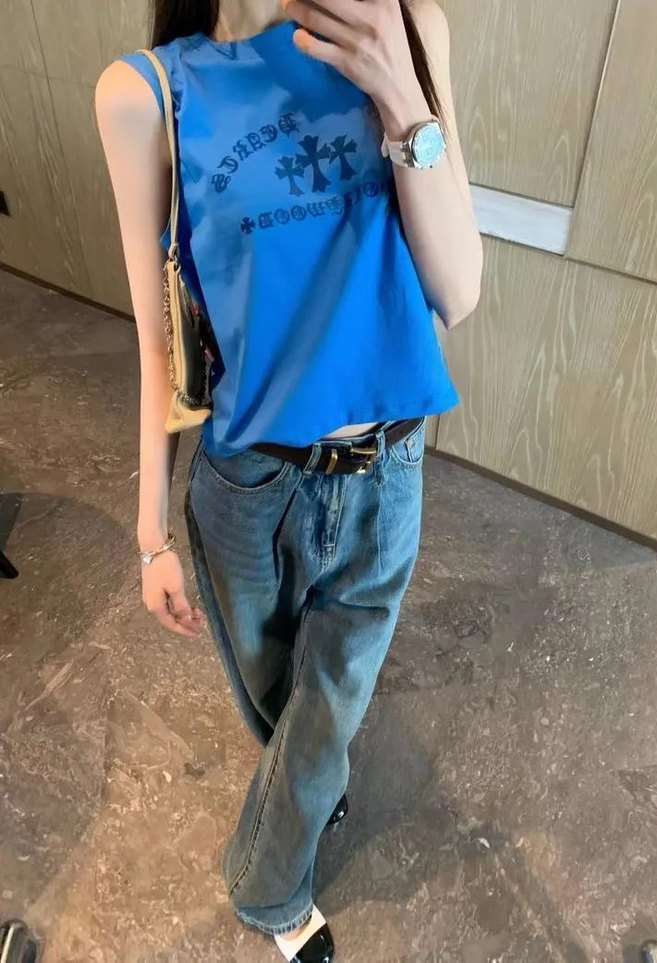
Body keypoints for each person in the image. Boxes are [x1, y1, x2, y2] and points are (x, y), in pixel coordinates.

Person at [96, 0, 482, 958]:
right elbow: (159, 341)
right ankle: (305, 786)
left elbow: (457, 292)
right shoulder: (147, 91)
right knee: (275, 691)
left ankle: (267, 889)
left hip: (388, 465)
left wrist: (402, 96)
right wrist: (149, 533)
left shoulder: (410, 28)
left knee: (330, 702)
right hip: (250, 485)